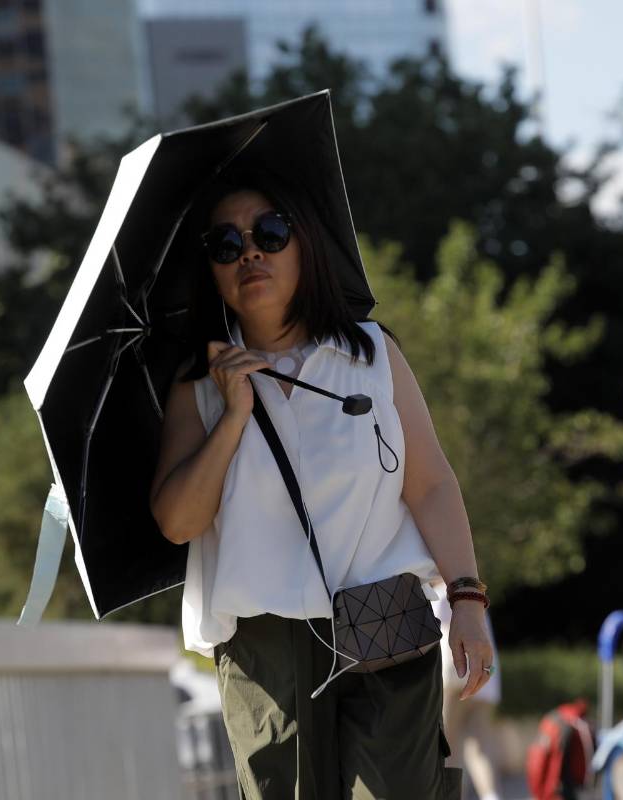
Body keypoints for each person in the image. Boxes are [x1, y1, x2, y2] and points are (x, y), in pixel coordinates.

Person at [149, 168, 494, 799]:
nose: (249, 251)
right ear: (214, 270)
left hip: (383, 624)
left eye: (269, 232)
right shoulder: (196, 386)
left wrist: (468, 601)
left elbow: (431, 483)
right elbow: (178, 522)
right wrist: (233, 415)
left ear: (304, 243)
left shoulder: (370, 353)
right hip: (263, 649)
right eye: (225, 244)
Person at [433, 578, 502, 800]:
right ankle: (491, 795)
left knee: (448, 746)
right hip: (486, 676)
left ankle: (451, 795)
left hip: (455, 674)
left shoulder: (445, 592)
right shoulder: (475, 597)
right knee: (480, 747)